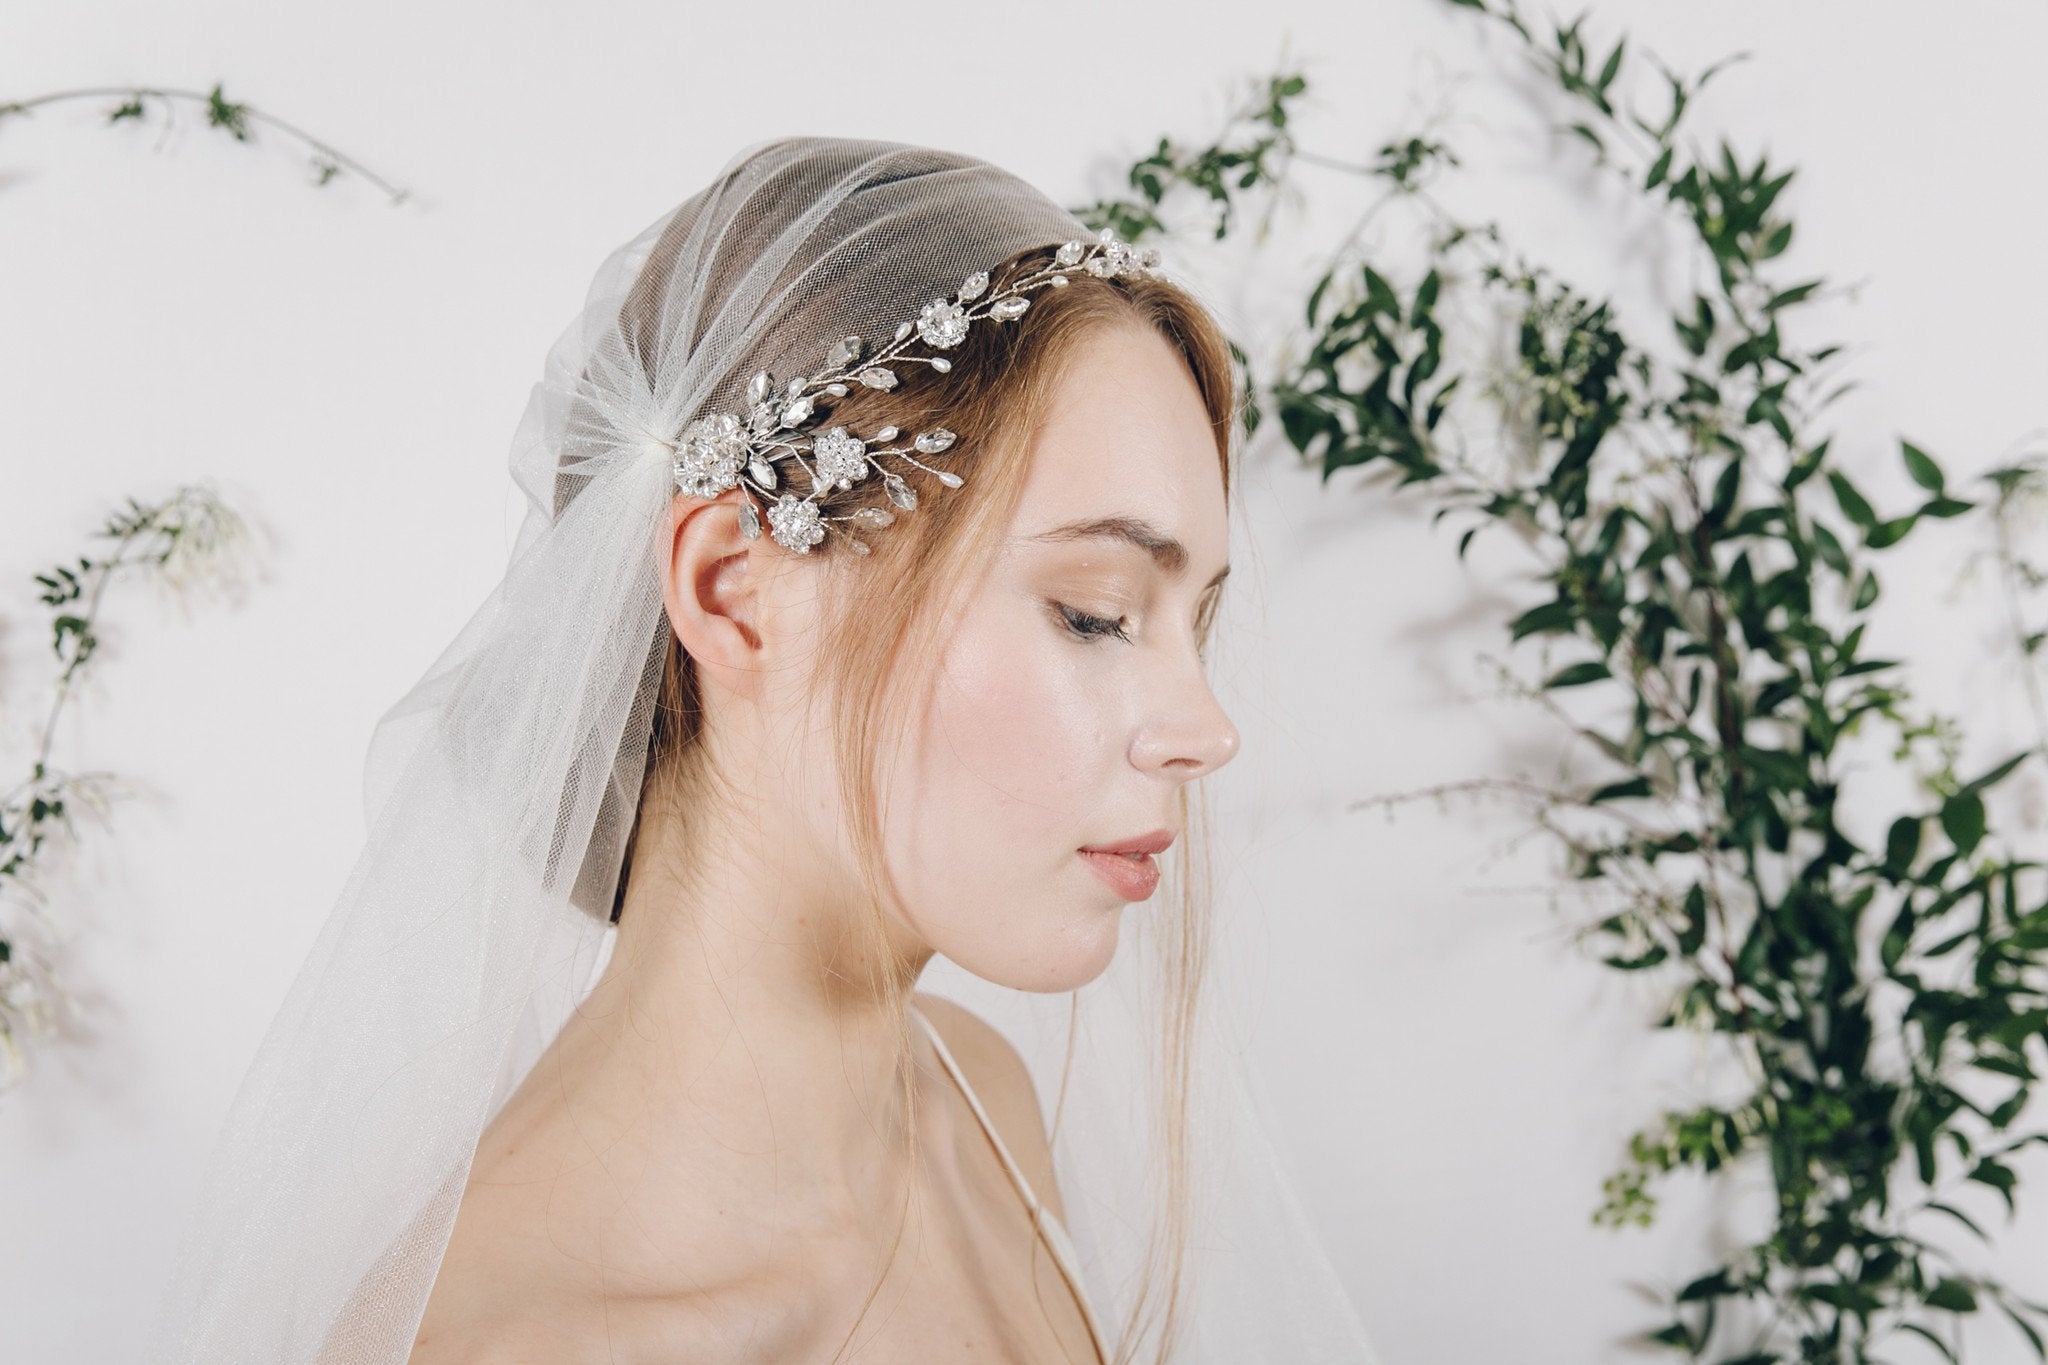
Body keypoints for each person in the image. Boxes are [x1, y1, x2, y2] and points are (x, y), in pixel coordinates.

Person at [148, 136, 1386, 1364]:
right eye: (1097, 612)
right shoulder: (527, 1344)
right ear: (734, 591)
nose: (1206, 732)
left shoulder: (980, 1106)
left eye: (1195, 623)